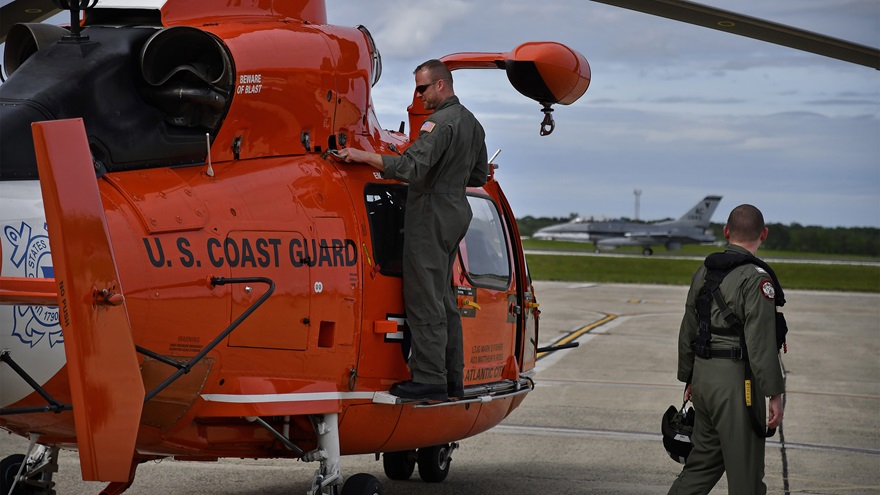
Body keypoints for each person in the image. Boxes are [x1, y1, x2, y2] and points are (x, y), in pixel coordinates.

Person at [337, 59, 489, 401]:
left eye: (423, 88)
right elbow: (480, 176)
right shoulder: (472, 123)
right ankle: (452, 378)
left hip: (431, 214)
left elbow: (411, 168)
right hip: (455, 212)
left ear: (441, 85)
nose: (418, 96)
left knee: (424, 299)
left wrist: (366, 157)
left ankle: (429, 379)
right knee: (445, 300)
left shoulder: (438, 124)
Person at [669, 204, 785, 495]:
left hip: (704, 381)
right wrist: (774, 392)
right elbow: (760, 344)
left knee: (702, 465)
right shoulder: (756, 278)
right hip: (737, 386)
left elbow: (689, 329)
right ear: (764, 234)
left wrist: (689, 377)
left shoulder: (704, 271)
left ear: (725, 232)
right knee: (746, 476)